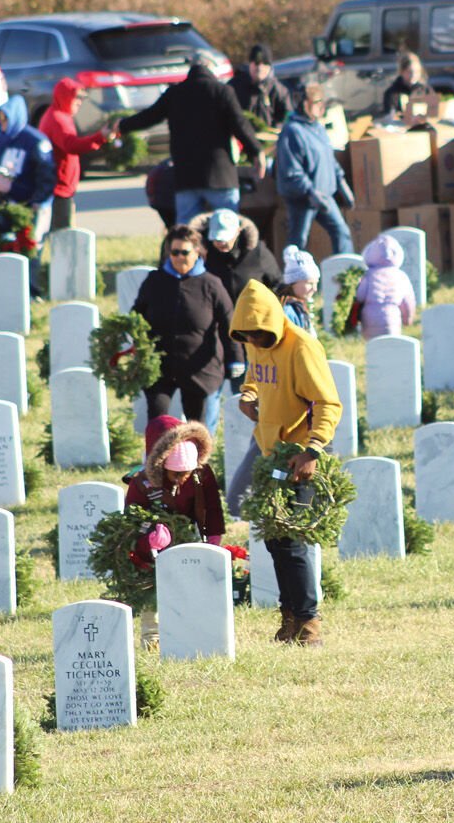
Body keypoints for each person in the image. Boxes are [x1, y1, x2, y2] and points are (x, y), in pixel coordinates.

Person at [228, 279, 343, 646]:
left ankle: (310, 623)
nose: (255, 343)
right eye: (247, 337)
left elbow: (328, 402)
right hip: (269, 453)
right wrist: (248, 394)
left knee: (293, 539)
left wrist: (312, 450)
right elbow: (255, 375)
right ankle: (289, 615)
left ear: (272, 322)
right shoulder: (255, 341)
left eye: (260, 336)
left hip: (299, 455)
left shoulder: (303, 348)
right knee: (275, 540)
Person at [118, 57, 263, 224]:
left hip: (186, 176)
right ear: (211, 69)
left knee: (187, 233)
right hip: (220, 175)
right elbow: (240, 125)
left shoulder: (175, 94)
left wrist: (121, 126)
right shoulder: (222, 91)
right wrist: (256, 152)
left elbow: (148, 116)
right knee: (227, 229)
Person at [125, 417, 227, 648]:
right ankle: (152, 637)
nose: (182, 479)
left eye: (186, 473)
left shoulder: (201, 475)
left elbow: (212, 505)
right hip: (154, 546)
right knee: (150, 586)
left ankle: (193, 631)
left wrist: (213, 535)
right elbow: (131, 520)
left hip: (189, 536)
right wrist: (148, 535)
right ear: (161, 466)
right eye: (175, 474)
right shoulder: (141, 484)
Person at [132, 225, 240, 431]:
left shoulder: (211, 284)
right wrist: (136, 346)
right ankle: (157, 462)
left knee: (196, 426)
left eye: (185, 252)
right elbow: (137, 316)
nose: (179, 257)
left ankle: (196, 463)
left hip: (198, 366)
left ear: (197, 252)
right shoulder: (155, 281)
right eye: (174, 252)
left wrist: (235, 358)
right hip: (160, 366)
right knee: (157, 422)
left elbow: (229, 323)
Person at [0, 96, 58, 294]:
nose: (3, 124)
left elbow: (46, 174)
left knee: (31, 246)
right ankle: (8, 286)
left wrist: (38, 201)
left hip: (32, 204)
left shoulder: (36, 141)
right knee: (5, 243)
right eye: (0, 120)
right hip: (7, 203)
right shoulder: (0, 139)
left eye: (6, 119)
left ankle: (31, 289)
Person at [276, 84, 354, 254]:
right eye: (318, 102)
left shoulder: (318, 127)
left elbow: (329, 158)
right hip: (302, 199)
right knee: (298, 241)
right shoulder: (292, 131)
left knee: (342, 232)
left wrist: (341, 183)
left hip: (324, 196)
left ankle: (345, 272)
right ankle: (294, 277)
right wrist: (310, 192)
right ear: (305, 104)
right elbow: (291, 170)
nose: (322, 107)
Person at [37, 77, 115, 233]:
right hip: (58, 188)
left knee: (62, 231)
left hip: (60, 187)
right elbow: (71, 145)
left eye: (83, 98)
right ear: (65, 96)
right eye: (77, 97)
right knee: (62, 235)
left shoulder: (60, 115)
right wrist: (101, 137)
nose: (80, 102)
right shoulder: (58, 119)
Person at [189, 209, 281, 309]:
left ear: (238, 231)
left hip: (251, 317)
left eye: (225, 238)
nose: (220, 242)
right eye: (216, 238)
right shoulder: (199, 254)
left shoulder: (257, 252)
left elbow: (277, 283)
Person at [350, 234, 416, 340]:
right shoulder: (401, 276)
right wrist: (407, 318)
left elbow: (360, 296)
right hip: (392, 315)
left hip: (370, 316)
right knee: (391, 344)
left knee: (373, 347)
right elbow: (408, 301)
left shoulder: (368, 275)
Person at [229, 44, 291, 129]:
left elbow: (287, 119)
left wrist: (272, 133)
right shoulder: (234, 87)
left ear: (270, 66)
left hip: (270, 139)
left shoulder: (279, 91)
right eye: (256, 63)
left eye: (265, 63)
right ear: (250, 64)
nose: (260, 67)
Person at [277, 246, 320, 333]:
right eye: (310, 283)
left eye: (316, 283)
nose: (315, 289)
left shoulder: (300, 306)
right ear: (292, 283)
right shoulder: (287, 312)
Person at [382, 51, 431, 117]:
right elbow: (389, 116)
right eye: (410, 72)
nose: (413, 75)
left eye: (417, 72)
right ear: (401, 72)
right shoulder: (392, 93)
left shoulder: (425, 90)